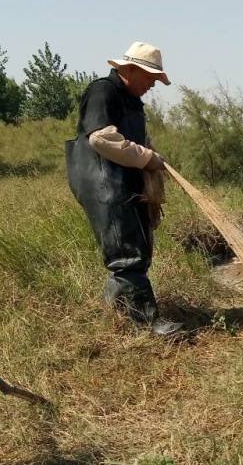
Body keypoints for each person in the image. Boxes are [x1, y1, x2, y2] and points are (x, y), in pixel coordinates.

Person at [65, 41, 183, 337]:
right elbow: (101, 139)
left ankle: (113, 316)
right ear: (129, 69)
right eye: (150, 78)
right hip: (103, 182)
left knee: (138, 249)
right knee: (127, 252)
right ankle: (146, 322)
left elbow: (136, 139)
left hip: (123, 183)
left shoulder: (132, 100)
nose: (152, 85)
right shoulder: (103, 91)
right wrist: (147, 158)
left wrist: (150, 158)